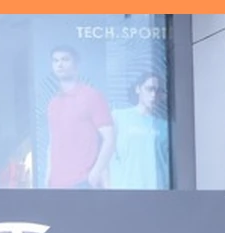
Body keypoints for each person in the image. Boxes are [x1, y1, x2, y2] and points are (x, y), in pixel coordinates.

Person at [45, 46, 115, 189]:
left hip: (83, 182)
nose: (59, 64)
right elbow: (52, 142)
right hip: (56, 184)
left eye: (65, 59)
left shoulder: (92, 96)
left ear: (76, 64)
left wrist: (95, 173)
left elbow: (110, 138)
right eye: (55, 60)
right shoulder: (53, 103)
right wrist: (48, 176)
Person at [109, 72, 170, 190]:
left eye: (158, 91)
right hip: (125, 189)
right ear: (138, 89)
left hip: (158, 190)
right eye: (149, 89)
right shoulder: (118, 117)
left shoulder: (165, 126)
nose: (153, 95)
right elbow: (106, 154)